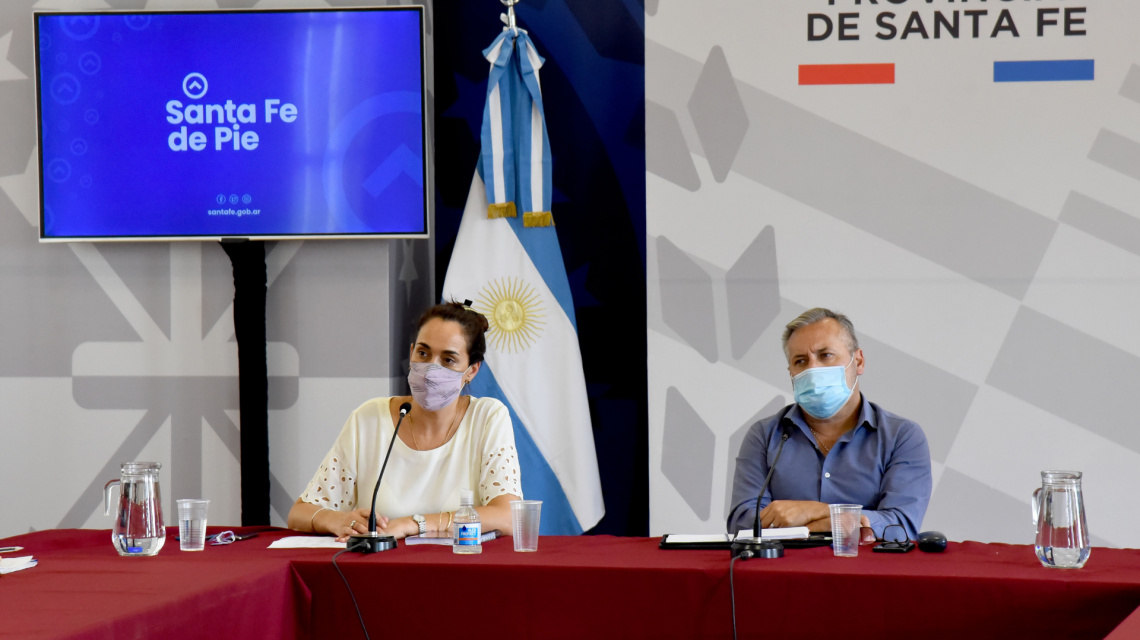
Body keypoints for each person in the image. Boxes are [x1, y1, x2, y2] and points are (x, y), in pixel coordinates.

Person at [287, 301, 522, 540]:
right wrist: (338, 520)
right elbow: (299, 513)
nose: (431, 368)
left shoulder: (488, 417)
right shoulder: (369, 418)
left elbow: (508, 517)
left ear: (471, 370)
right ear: (411, 354)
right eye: (423, 353)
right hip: (377, 563)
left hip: (458, 563)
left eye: (448, 360)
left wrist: (414, 524)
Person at [727, 308, 932, 541]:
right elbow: (743, 523)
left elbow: (900, 525)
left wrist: (815, 512)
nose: (813, 369)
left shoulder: (902, 436)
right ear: (791, 373)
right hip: (787, 565)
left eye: (826, 355)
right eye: (801, 361)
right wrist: (846, 522)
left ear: (858, 361)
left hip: (867, 565)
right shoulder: (765, 435)